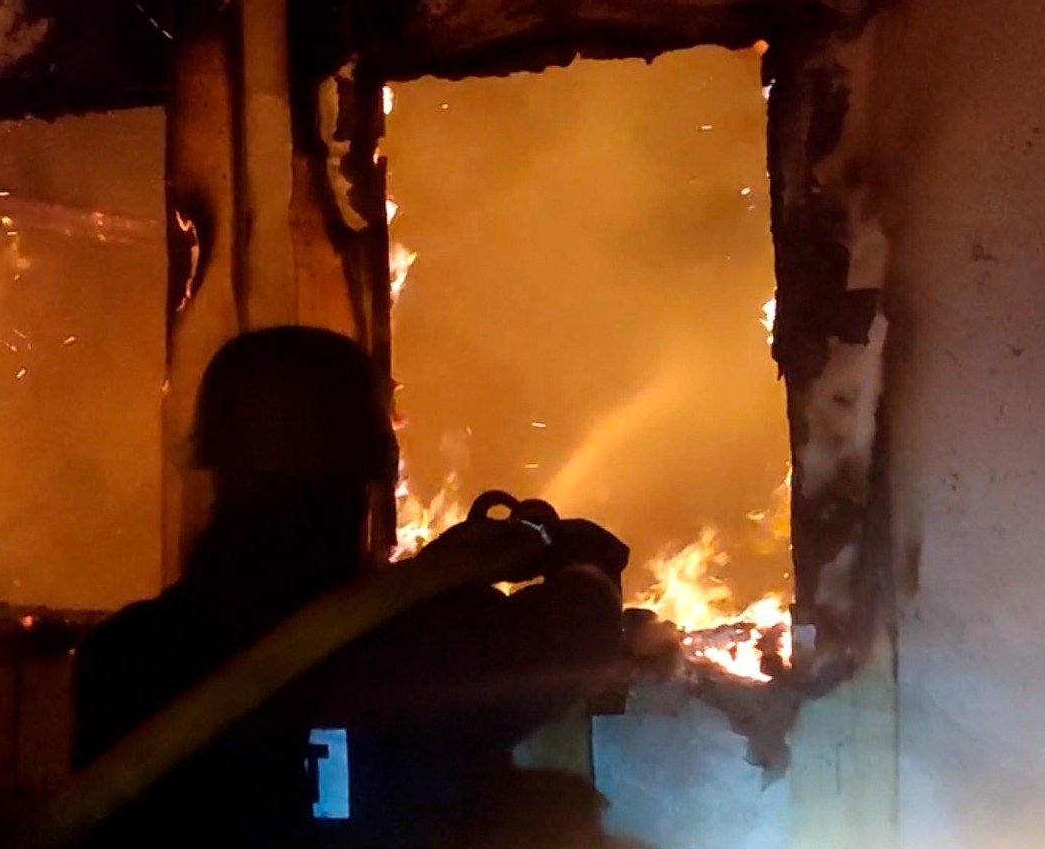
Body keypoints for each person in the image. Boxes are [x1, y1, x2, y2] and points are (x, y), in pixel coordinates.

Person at [74, 327, 631, 848]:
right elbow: (576, 636)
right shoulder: (430, 646)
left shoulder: (124, 656)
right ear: (375, 470)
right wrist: (585, 561)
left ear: (213, 466)